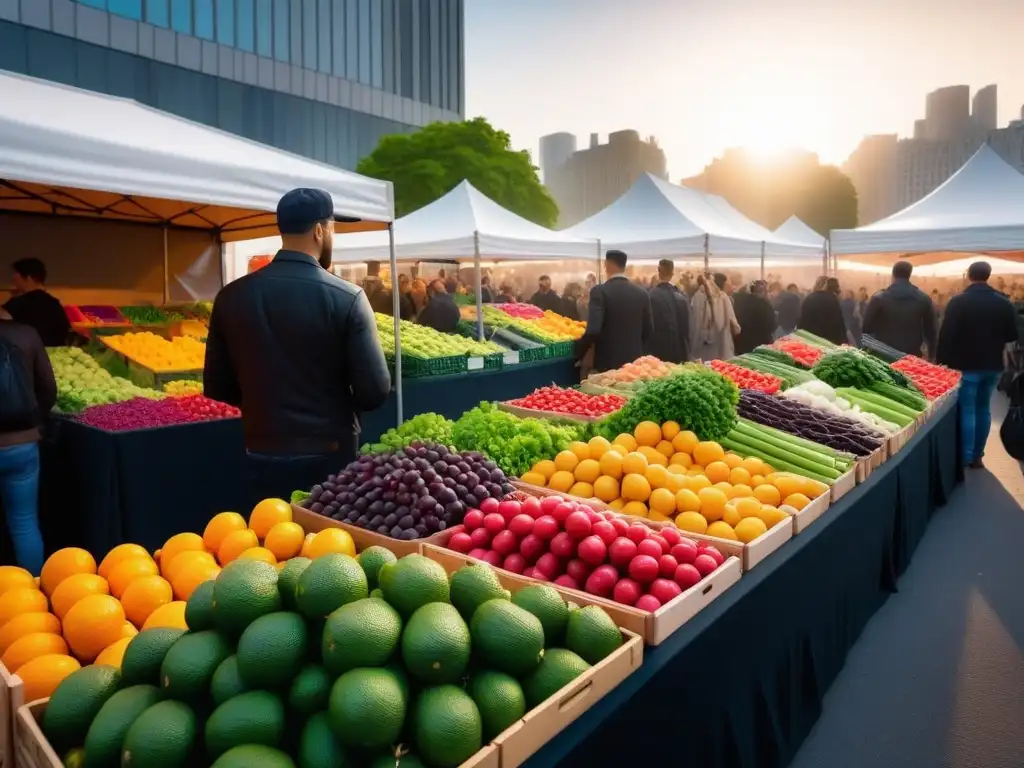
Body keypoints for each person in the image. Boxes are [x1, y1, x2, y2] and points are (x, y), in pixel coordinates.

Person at [204, 188, 392, 504]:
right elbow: (374, 390)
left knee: (269, 541)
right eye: (333, 228)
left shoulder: (231, 296)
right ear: (320, 231)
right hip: (328, 453)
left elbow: (217, 386)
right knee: (329, 545)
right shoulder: (348, 297)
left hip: (260, 447)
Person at [937, 261, 1018, 468]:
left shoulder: (958, 302)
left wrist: (941, 363)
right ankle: (978, 456)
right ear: (988, 276)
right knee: (984, 408)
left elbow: (946, 336)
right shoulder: (1004, 303)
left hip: (965, 364)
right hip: (992, 365)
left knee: (967, 409)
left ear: (969, 276)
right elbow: (1012, 337)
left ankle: (965, 455)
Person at [0, 315, 56, 575]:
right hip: (22, 444)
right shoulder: (27, 334)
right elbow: (48, 390)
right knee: (24, 523)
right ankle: (31, 589)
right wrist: (35, 422)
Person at [575, 250, 653, 372]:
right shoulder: (642, 293)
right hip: (634, 363)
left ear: (607, 265)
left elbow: (593, 330)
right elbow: (649, 328)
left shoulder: (599, 291)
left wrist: (578, 351)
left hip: (607, 362)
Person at [862, 261, 937, 357]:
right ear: (909, 275)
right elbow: (931, 331)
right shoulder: (923, 299)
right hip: (912, 357)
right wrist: (931, 355)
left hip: (884, 358)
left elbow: (866, 329)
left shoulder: (878, 298)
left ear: (893, 275)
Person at [3, 259, 71, 347]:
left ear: (29, 277)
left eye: (16, 274)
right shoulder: (54, 303)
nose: (13, 278)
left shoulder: (20, 303)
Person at [646, 259, 689, 363]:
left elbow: (649, 325)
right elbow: (686, 324)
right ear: (672, 273)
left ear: (658, 271)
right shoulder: (681, 295)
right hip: (679, 348)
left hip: (659, 350)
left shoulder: (651, 295)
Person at [689, 272, 739, 360]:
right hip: (722, 344)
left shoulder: (697, 296)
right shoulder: (723, 297)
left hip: (701, 344)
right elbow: (735, 327)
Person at [798, 276, 847, 345]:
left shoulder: (808, 299)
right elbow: (838, 323)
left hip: (809, 341)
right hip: (828, 342)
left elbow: (802, 322)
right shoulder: (832, 299)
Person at [732, 280, 776, 354]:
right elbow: (771, 326)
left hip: (742, 343)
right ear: (764, 292)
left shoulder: (739, 301)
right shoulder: (765, 305)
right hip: (760, 344)